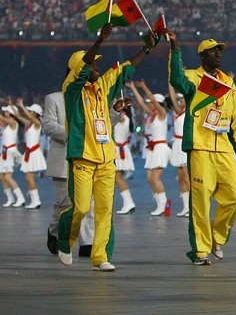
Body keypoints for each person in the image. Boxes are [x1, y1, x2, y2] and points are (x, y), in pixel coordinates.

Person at [58, 23, 158, 272]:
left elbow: (127, 68)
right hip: (82, 156)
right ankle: (66, 240)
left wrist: (146, 49)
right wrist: (100, 40)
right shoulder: (72, 90)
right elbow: (83, 68)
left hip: (106, 157)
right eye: (92, 65)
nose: (96, 68)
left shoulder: (102, 87)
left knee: (105, 210)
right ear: (79, 69)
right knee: (81, 207)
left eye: (96, 65)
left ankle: (100, 256)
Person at [166, 31, 236, 265]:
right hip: (200, 148)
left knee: (235, 197)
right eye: (214, 51)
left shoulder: (229, 83)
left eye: (220, 51)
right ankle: (200, 251)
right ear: (202, 55)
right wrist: (175, 48)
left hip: (224, 149)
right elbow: (176, 78)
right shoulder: (192, 78)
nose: (219, 54)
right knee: (201, 201)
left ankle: (217, 237)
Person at [42, 87, 94, 256]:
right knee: (65, 202)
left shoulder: (91, 98)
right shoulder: (54, 98)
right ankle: (55, 232)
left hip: (87, 156)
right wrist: (75, 134)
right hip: (63, 157)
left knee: (88, 203)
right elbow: (49, 125)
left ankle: (87, 242)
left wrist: (115, 112)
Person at [129, 80, 171, 216]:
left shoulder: (162, 113)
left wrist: (144, 86)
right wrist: (133, 88)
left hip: (160, 148)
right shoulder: (152, 115)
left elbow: (151, 100)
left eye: (152, 103)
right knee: (149, 178)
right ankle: (159, 202)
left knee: (155, 178)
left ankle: (163, 205)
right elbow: (141, 102)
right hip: (152, 149)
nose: (150, 104)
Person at [15, 101, 47, 209]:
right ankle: (35, 200)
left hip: (33, 153)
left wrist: (22, 106)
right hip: (29, 152)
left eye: (31, 111)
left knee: (29, 178)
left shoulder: (37, 123)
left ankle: (36, 200)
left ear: (35, 113)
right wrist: (15, 108)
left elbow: (29, 117)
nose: (30, 112)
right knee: (28, 178)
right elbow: (18, 116)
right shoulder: (30, 123)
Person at [167, 85, 190, 217]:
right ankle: (185, 206)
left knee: (187, 177)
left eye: (182, 99)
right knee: (181, 178)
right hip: (176, 144)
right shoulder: (179, 111)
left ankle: (192, 206)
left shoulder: (189, 112)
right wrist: (171, 81)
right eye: (179, 99)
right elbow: (172, 96)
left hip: (184, 144)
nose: (180, 100)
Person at [113, 101, 136, 215]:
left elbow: (115, 112)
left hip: (119, 150)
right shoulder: (126, 118)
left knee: (118, 177)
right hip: (120, 149)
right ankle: (127, 202)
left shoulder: (123, 118)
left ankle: (129, 202)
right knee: (117, 178)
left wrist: (113, 100)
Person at [0, 104, 25, 207]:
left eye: (6, 111)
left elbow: (3, 119)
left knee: (8, 176)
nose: (4, 113)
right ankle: (10, 198)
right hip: (4, 152)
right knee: (2, 176)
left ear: (10, 113)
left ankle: (20, 197)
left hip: (10, 152)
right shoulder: (6, 124)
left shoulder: (13, 122)